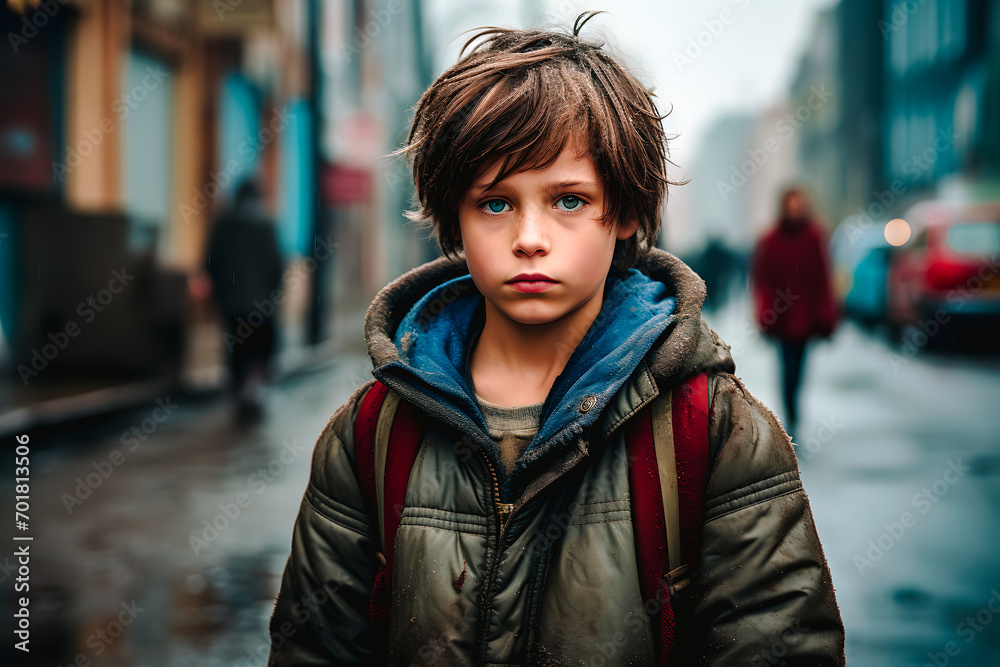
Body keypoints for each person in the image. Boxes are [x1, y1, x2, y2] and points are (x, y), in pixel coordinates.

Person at [268, 13, 844, 665]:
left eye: (568, 200)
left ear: (624, 210)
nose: (529, 237)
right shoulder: (371, 434)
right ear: (452, 214)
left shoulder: (711, 433)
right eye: (495, 202)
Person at [750, 186, 839, 440]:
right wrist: (765, 312)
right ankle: (790, 415)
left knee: (799, 369)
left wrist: (826, 315)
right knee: (785, 369)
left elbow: (822, 278)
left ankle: (793, 413)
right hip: (781, 318)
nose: (795, 210)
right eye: (791, 205)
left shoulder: (814, 237)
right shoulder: (770, 240)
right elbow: (762, 279)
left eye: (799, 205)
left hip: (806, 318)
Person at [203, 178, 284, 424]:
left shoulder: (222, 223)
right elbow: (276, 264)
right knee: (260, 348)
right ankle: (254, 390)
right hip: (261, 304)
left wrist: (219, 295)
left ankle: (238, 394)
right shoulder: (266, 223)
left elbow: (210, 261)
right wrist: (273, 295)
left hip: (231, 304)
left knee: (236, 348)